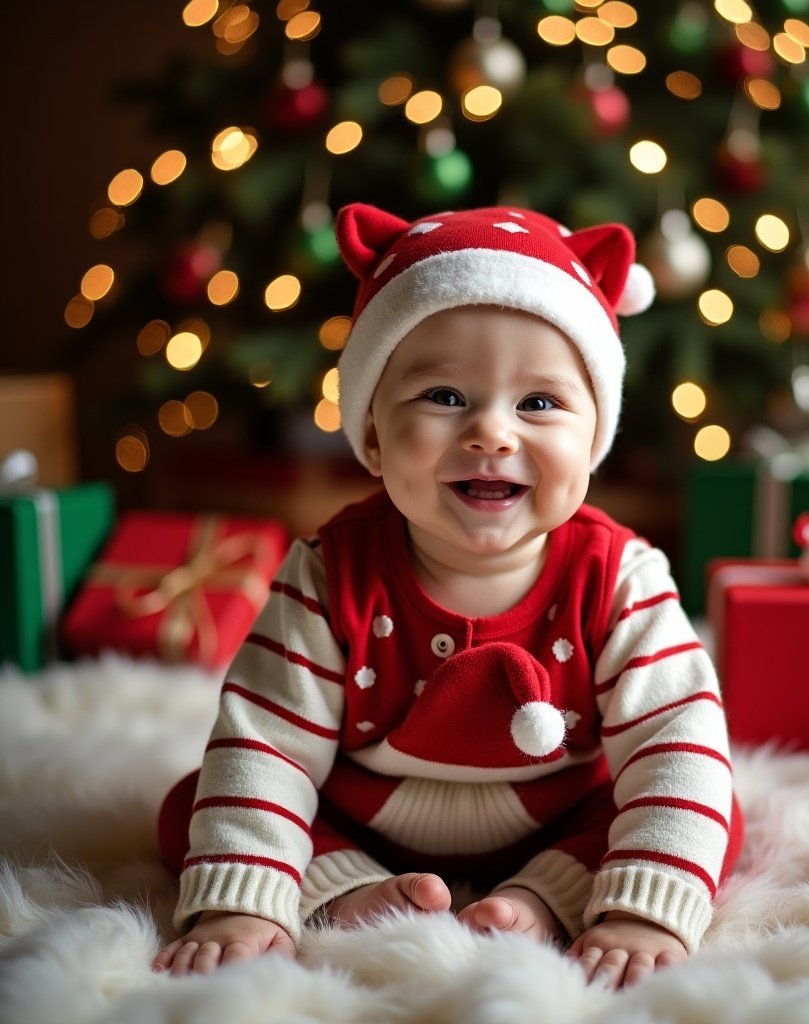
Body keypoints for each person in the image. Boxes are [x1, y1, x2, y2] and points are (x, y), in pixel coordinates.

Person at [153, 203, 743, 990]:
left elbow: (674, 734)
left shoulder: (621, 575)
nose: (492, 433)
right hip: (364, 813)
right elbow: (266, 739)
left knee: (703, 799)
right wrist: (241, 903)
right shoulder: (330, 572)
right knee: (203, 800)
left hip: (559, 817)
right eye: (443, 397)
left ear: (595, 435)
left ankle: (545, 896)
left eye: (540, 403)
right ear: (371, 430)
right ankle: (352, 888)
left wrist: (643, 907)